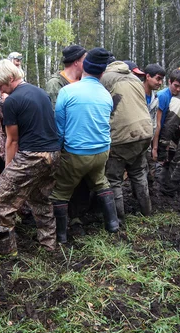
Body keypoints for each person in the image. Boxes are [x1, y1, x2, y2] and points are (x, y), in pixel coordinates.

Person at [0, 59, 61, 255]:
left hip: (32, 156)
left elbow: (12, 141)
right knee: (41, 199)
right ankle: (48, 245)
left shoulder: (12, 101)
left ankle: (4, 251)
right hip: (54, 154)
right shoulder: (40, 92)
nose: (0, 90)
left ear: (11, 79)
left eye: (1, 85)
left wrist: (7, 171)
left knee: (0, 203)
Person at [51, 47, 120, 243]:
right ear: (102, 72)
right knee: (101, 182)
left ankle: (61, 237)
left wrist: (57, 151)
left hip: (76, 154)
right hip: (102, 152)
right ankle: (113, 225)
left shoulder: (67, 91)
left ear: (85, 68)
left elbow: (60, 128)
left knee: (61, 192)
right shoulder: (106, 95)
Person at [100, 60, 154, 222]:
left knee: (114, 177)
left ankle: (118, 217)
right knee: (138, 172)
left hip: (121, 135)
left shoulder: (105, 78)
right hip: (144, 131)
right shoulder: (134, 78)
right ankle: (146, 210)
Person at [45, 44, 89, 229]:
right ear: (77, 62)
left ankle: (78, 216)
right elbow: (55, 116)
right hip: (64, 142)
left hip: (83, 141)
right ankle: (60, 221)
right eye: (85, 59)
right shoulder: (55, 84)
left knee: (82, 181)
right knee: (62, 182)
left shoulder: (84, 81)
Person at [142, 64, 166, 186]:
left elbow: (156, 124)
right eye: (158, 78)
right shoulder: (137, 95)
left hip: (147, 142)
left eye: (161, 79)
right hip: (135, 139)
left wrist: (154, 148)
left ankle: (148, 193)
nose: (160, 82)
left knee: (150, 171)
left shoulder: (154, 98)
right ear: (147, 77)